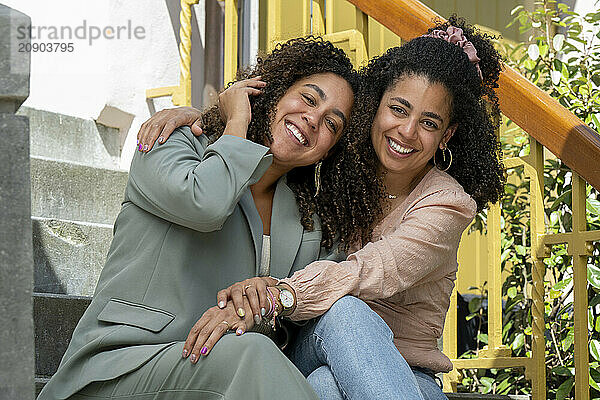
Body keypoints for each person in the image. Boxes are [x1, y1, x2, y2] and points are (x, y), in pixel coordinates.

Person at [139, 16, 506, 400]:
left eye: (428, 123)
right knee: (340, 323)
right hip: (315, 345)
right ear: (376, 106)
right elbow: (284, 136)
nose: (407, 131)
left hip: (406, 377)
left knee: (324, 386)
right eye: (398, 109)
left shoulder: (447, 204)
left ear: (446, 136)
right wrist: (205, 118)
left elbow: (373, 269)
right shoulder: (338, 174)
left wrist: (280, 295)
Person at [36, 36, 365, 400]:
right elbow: (205, 204)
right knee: (253, 355)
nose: (313, 120)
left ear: (328, 153)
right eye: (308, 98)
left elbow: (309, 308)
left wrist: (264, 301)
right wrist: (236, 120)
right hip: (116, 369)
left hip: (218, 378)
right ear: (270, 90)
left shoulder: (309, 224)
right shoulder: (171, 142)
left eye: (332, 124)